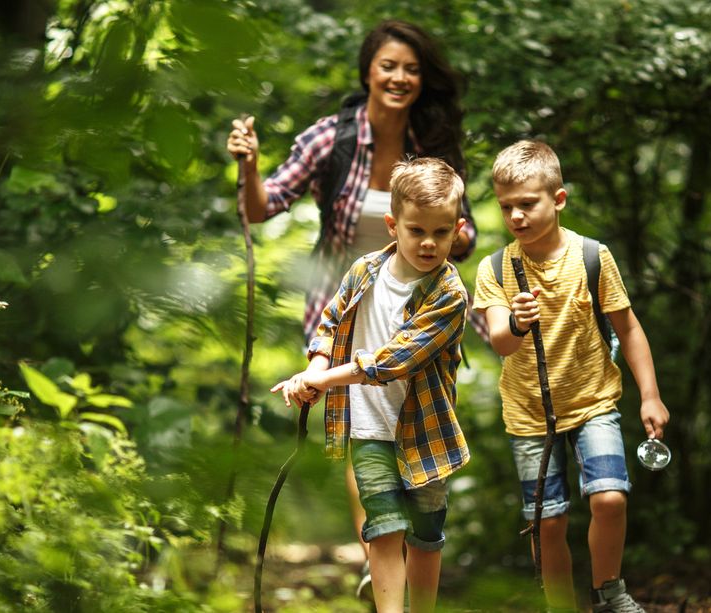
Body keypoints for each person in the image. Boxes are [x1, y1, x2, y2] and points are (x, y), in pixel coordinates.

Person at [226, 19, 478, 598]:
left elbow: (462, 235)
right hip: (346, 299)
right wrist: (248, 166)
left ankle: (396, 547)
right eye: (389, 65)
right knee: (361, 425)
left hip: (418, 303)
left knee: (409, 415)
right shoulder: (329, 139)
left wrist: (439, 236)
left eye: (412, 68)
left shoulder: (431, 143)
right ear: (368, 69)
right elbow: (263, 208)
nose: (400, 77)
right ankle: (378, 547)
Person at [473, 141, 670, 613]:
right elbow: (500, 340)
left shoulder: (592, 257)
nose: (516, 216)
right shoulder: (496, 267)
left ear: (558, 200)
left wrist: (650, 396)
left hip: (594, 400)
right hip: (529, 413)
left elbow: (628, 327)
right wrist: (517, 322)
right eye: (506, 207)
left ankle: (610, 593)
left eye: (527, 204)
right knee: (548, 522)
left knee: (610, 499)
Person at [271, 158, 471, 613]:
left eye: (441, 233)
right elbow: (330, 322)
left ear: (457, 229)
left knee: (425, 537)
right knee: (382, 528)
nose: (428, 242)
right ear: (392, 225)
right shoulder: (364, 271)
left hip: (426, 434)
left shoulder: (449, 294)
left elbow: (391, 361)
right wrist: (316, 366)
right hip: (367, 428)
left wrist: (320, 378)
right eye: (416, 230)